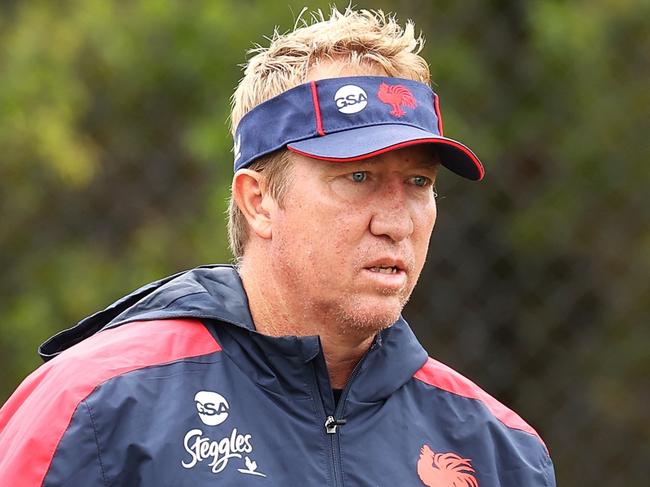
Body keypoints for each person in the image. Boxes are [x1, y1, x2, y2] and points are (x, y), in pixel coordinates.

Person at [0, 7, 555, 486]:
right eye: (357, 177)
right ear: (259, 201)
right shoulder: (94, 407)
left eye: (418, 183)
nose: (395, 222)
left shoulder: (499, 451)